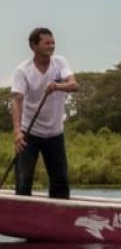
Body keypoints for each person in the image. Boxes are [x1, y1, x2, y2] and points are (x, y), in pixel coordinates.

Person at [11, 28, 78, 199]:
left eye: (53, 43)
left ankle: (59, 221)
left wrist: (57, 86)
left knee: (60, 181)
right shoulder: (23, 70)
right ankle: (20, 220)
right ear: (34, 46)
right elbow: (17, 101)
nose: (51, 46)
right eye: (47, 43)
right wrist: (17, 132)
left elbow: (74, 85)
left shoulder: (59, 63)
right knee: (23, 180)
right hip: (29, 133)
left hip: (55, 133)